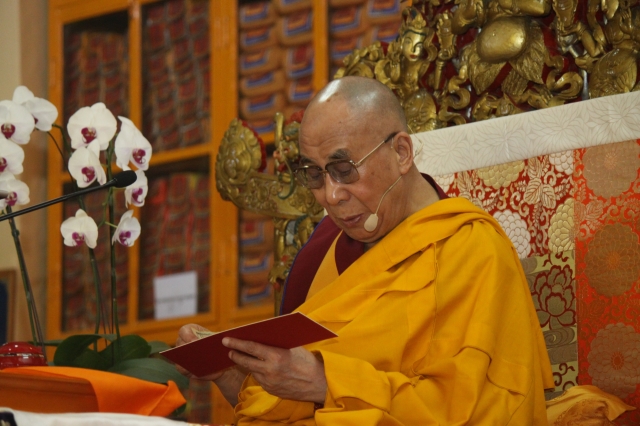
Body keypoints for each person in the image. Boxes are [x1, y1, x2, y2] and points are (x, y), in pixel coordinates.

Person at [176, 76, 554, 425]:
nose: (331, 195)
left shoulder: (470, 248)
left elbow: (474, 410)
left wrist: (326, 382)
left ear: (401, 152)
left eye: (344, 169)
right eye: (314, 174)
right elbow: (281, 408)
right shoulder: (321, 255)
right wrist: (228, 372)